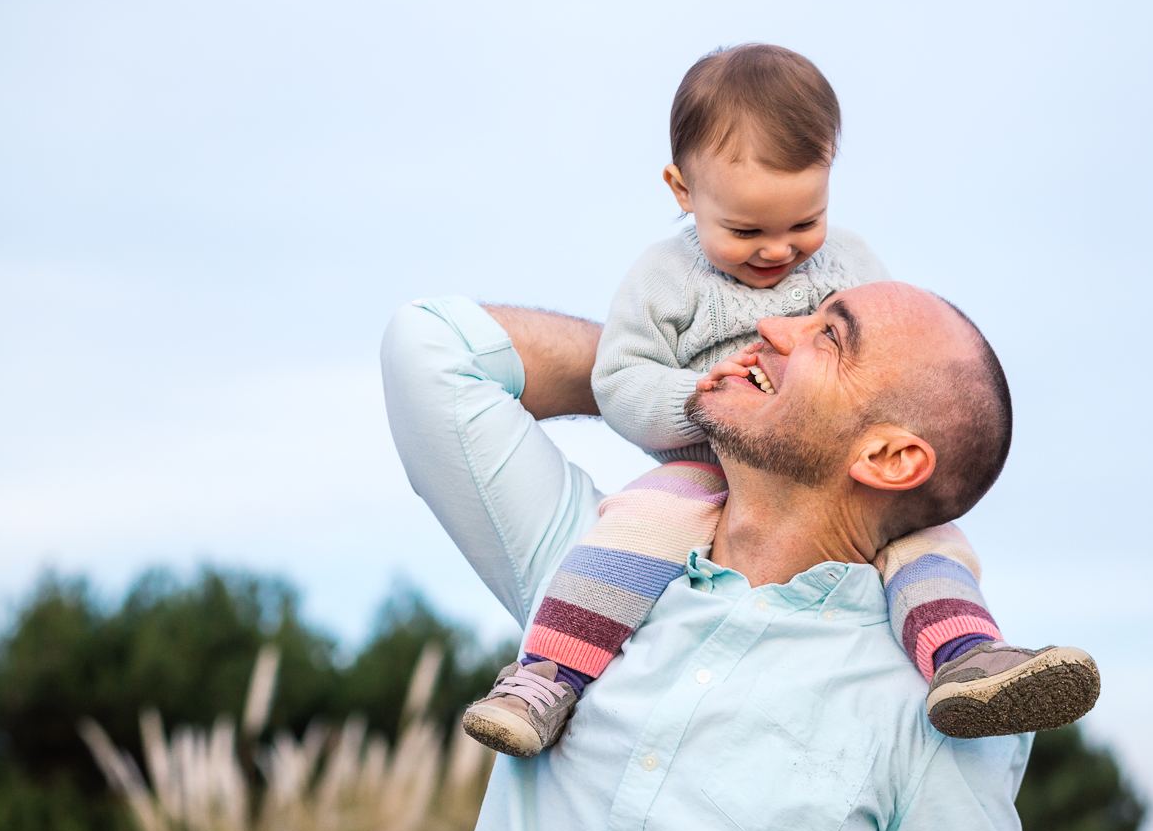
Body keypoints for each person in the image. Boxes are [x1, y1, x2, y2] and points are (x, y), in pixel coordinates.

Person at [454, 44, 1099, 759]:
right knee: (634, 526)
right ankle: (549, 675)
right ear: (682, 191)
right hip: (706, 458)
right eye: (746, 231)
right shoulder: (665, 279)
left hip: (826, 472)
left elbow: (887, 364)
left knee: (929, 537)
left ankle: (968, 657)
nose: (777, 251)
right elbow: (620, 381)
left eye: (803, 224)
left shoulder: (849, 262)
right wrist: (692, 396)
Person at [380, 280, 1079, 831]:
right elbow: (432, 349)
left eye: (828, 337)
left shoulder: (937, 715)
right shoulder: (590, 575)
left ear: (890, 459)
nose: (772, 326)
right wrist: (644, 385)